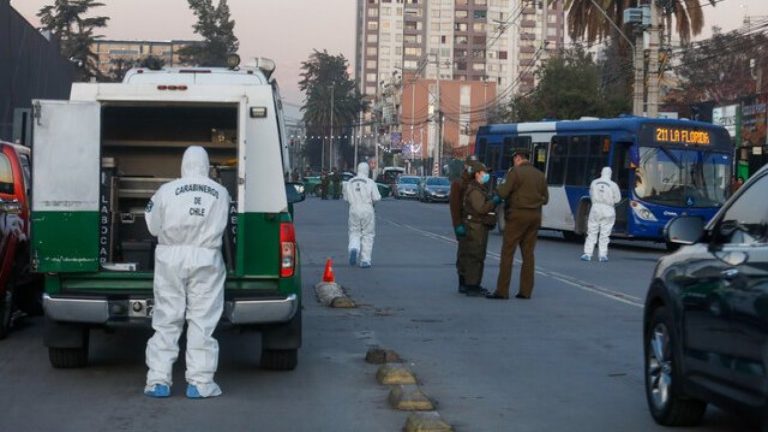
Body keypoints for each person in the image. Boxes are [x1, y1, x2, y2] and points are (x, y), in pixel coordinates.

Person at [143, 146, 231, 399]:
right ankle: (200, 384)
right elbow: (225, 222)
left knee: (166, 319)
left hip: (170, 257)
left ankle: (158, 381)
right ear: (207, 165)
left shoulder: (166, 190)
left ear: (183, 164)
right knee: (202, 321)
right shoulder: (221, 192)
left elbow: (152, 225)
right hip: (206, 257)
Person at [487, 150, 548, 300]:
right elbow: (546, 199)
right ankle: (525, 291)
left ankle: (502, 291)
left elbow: (503, 193)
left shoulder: (515, 172)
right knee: (528, 254)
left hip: (517, 215)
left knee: (507, 252)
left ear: (517, 158)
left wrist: (499, 189)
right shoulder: (540, 175)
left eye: (514, 158)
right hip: (534, 216)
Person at [462, 161, 500, 297]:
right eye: (484, 173)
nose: (487, 175)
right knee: (475, 256)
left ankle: (475, 284)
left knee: (479, 256)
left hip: (478, 226)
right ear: (477, 174)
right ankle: (472, 286)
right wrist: (493, 202)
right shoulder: (475, 191)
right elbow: (481, 209)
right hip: (475, 226)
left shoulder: (479, 189)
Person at [343, 161, 381, 268]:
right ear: (367, 171)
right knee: (368, 234)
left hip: (354, 209)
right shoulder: (370, 182)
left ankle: (354, 248)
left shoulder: (350, 182)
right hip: (367, 209)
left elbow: (346, 198)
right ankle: (365, 260)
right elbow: (377, 197)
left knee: (354, 231)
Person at [449, 155, 477, 294]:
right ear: (465, 166)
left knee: (475, 254)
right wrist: (457, 225)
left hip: (476, 224)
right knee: (464, 254)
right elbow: (455, 207)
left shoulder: (476, 182)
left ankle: (473, 282)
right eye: (471, 165)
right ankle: (462, 281)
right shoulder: (458, 183)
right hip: (463, 223)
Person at [581, 167, 622, 262]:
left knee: (592, 231)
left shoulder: (594, 182)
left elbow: (591, 194)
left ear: (601, 173)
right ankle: (602, 255)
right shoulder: (613, 185)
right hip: (608, 209)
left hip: (595, 208)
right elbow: (618, 199)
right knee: (605, 233)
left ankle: (587, 254)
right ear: (610, 174)